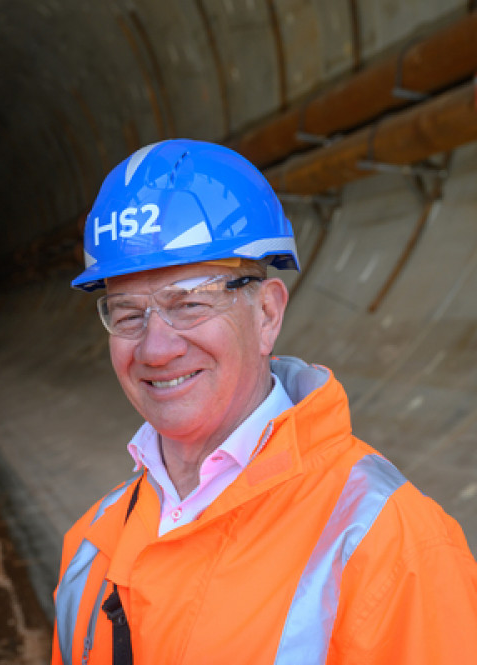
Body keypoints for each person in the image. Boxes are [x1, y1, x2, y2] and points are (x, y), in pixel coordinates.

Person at [51, 138, 477, 665]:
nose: (156, 348)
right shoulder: (89, 547)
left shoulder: (391, 545)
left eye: (189, 302)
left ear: (268, 315)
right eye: (127, 312)